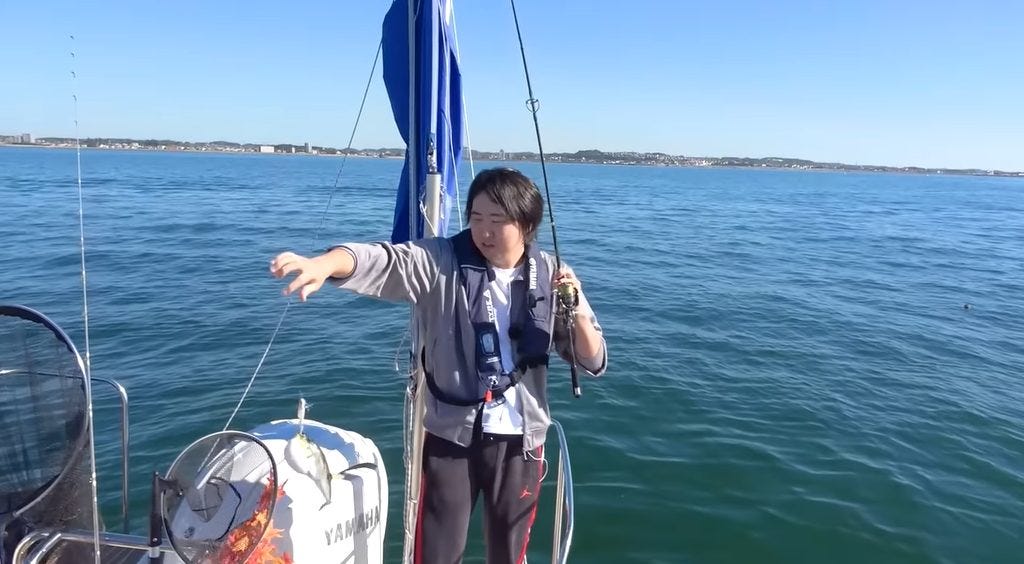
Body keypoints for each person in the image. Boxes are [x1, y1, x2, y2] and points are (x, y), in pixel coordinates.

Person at [270, 167, 607, 564]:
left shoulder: (552, 275)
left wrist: (578, 310)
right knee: (437, 552)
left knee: (509, 552)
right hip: (452, 436)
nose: (484, 230)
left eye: (497, 221)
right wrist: (327, 263)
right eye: (476, 218)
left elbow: (592, 360)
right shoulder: (441, 261)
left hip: (522, 442)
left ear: (527, 225)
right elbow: (385, 261)